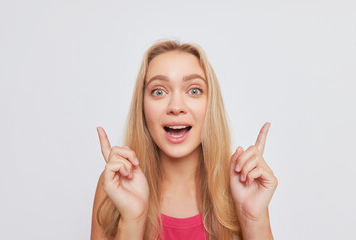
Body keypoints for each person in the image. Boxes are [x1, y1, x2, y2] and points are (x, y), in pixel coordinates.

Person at [90, 40, 278, 240]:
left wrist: (254, 219)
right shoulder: (116, 183)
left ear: (210, 104)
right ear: (142, 107)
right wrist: (132, 220)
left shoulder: (243, 185)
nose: (176, 106)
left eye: (194, 90)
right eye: (159, 91)